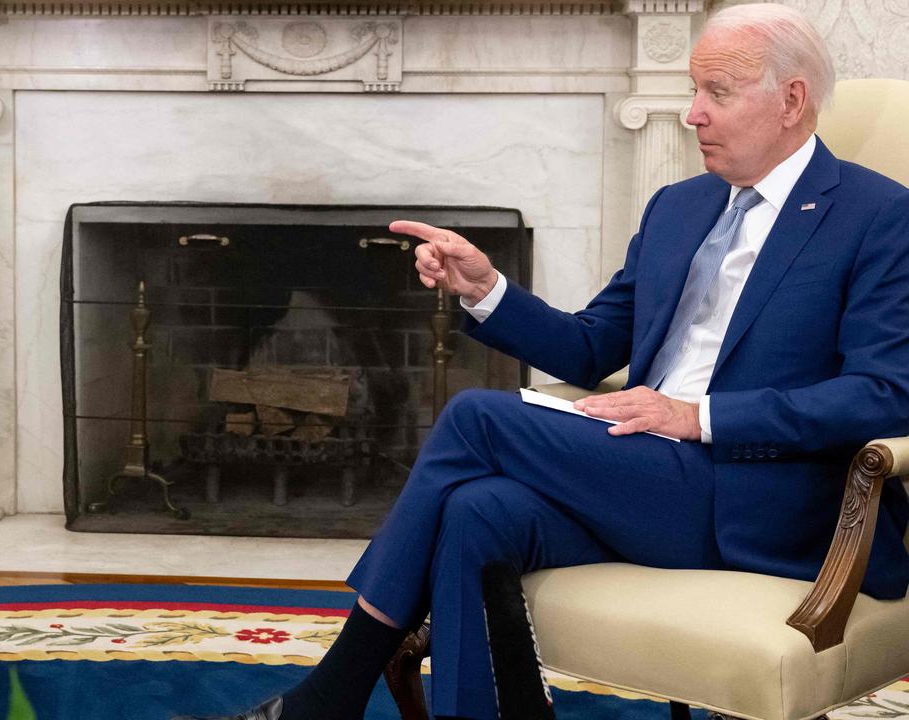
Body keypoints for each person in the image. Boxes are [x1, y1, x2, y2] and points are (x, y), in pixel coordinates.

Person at [174, 4, 909, 720]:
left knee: (475, 416)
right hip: (644, 474)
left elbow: (884, 395)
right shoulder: (679, 207)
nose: (691, 113)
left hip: (761, 496)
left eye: (716, 92)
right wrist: (486, 289)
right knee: (476, 511)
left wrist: (696, 417)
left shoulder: (877, 215)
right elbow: (593, 346)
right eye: (691, 89)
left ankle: (326, 697)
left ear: (791, 100)